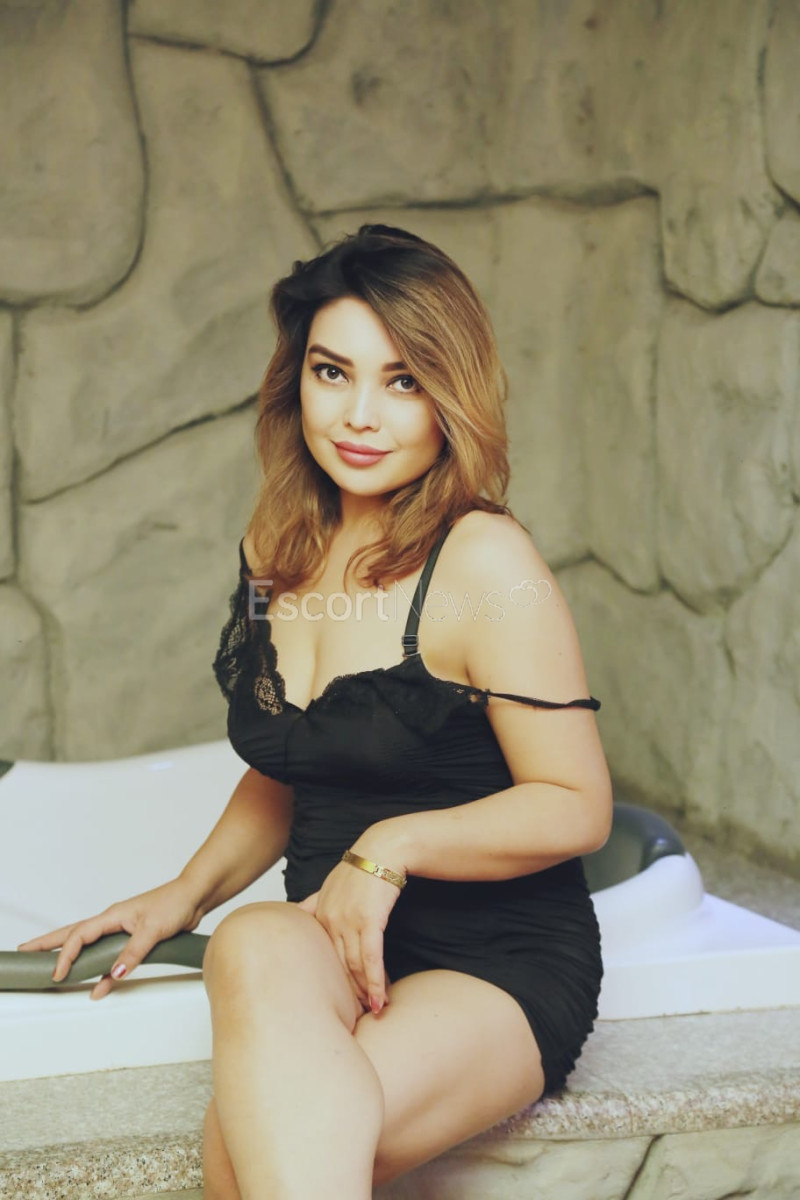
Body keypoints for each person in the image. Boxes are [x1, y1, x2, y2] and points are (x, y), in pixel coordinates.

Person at [17, 225, 612, 1199]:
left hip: (491, 960)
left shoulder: (486, 563)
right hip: (325, 940)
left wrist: (387, 848)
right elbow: (296, 757)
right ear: (295, 379)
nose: (359, 416)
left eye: (403, 381)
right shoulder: (273, 552)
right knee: (250, 938)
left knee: (245, 1161)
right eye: (333, 373)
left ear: (448, 396)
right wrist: (184, 894)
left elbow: (576, 804)